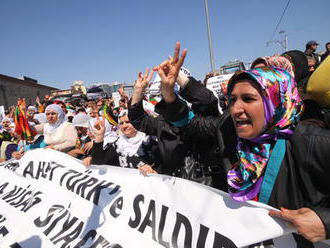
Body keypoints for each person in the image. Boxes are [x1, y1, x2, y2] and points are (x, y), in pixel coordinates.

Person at [155, 42, 330, 245]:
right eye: (233, 99)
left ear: (275, 101)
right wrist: (169, 94)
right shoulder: (228, 128)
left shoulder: (311, 143)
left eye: (248, 99)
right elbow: (192, 125)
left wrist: (324, 222)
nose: (236, 109)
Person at [89, 110, 158, 175]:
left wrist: (153, 171)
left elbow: (165, 168)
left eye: (128, 122)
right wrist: (99, 136)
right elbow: (98, 163)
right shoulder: (117, 144)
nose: (124, 126)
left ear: (138, 122)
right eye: (121, 123)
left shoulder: (152, 141)